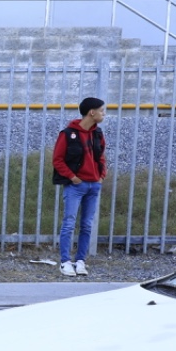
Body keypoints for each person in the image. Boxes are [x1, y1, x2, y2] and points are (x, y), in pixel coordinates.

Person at [51, 97, 108, 277]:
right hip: (76, 186)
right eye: (101, 111)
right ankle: (65, 262)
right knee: (69, 223)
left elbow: (101, 157)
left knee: (86, 225)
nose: (103, 114)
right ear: (92, 112)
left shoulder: (97, 134)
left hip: (93, 186)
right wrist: (73, 178)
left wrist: (101, 176)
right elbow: (57, 160)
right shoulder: (68, 134)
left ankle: (80, 261)